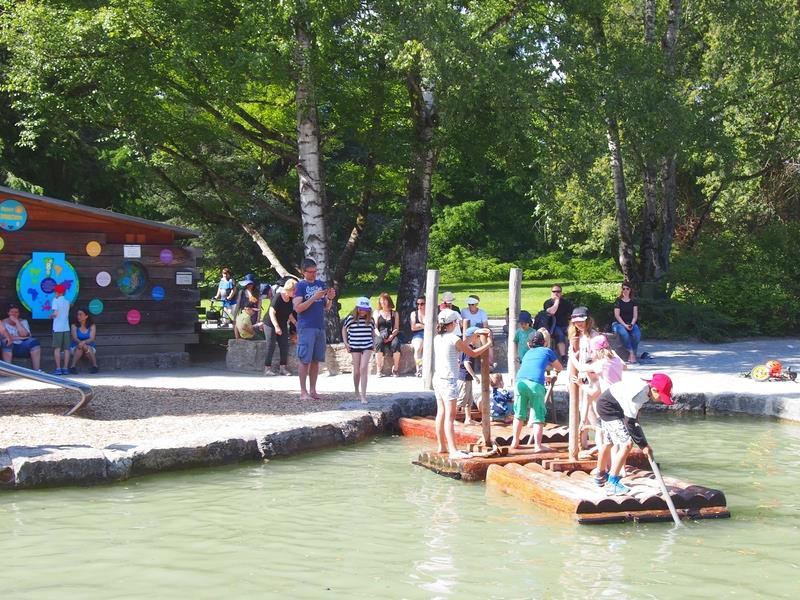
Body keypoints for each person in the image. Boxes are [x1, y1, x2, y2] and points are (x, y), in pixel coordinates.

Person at [595, 373, 674, 495]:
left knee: (608, 442)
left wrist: (643, 442)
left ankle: (600, 475)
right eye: (661, 396)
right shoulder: (638, 395)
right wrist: (643, 446)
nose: (661, 400)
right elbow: (630, 423)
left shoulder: (645, 390)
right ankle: (612, 482)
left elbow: (634, 419)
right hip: (610, 409)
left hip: (606, 404)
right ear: (654, 389)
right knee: (627, 444)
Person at [433, 309, 492, 458]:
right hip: (449, 380)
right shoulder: (453, 338)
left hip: (438, 378)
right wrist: (488, 344)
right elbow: (472, 353)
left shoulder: (438, 338)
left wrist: (473, 336)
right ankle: (453, 450)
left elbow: (461, 346)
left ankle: (442, 446)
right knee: (450, 417)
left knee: (441, 413)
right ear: (453, 323)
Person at [510, 330, 563, 451]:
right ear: (544, 343)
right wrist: (554, 371)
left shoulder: (527, 354)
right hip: (535, 386)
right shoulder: (547, 350)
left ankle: (515, 442)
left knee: (519, 414)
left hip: (520, 383)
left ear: (529, 344)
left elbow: (530, 371)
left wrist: (545, 376)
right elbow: (559, 367)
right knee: (538, 415)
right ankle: (538, 446)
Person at [293, 258, 335, 401]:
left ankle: (313, 390)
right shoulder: (300, 286)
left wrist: (329, 298)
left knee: (316, 360)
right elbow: (297, 308)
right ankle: (303, 392)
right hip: (306, 327)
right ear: (303, 272)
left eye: (315, 271)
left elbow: (326, 307)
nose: (314, 274)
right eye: (310, 272)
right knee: (305, 360)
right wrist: (313, 298)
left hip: (319, 326)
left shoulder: (320, 284)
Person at [567, 306, 600, 451]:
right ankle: (584, 443)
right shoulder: (575, 336)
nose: (579, 324)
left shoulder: (594, 336)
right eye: (576, 322)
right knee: (582, 408)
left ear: (588, 321)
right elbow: (571, 358)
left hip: (591, 375)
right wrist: (570, 377)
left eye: (581, 321)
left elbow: (599, 357)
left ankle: (601, 439)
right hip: (580, 375)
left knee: (593, 409)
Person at [342, 297, 374, 404]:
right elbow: (344, 329)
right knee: (356, 371)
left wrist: (373, 343)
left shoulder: (370, 320)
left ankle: (363, 395)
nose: (363, 311)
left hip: (367, 345)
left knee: (363, 368)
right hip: (354, 345)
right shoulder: (351, 319)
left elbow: (372, 332)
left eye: (365, 309)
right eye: (361, 309)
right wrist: (346, 343)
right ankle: (356, 390)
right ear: (357, 308)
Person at [263, 279, 297, 376]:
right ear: (289, 289)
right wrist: (276, 327)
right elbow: (271, 312)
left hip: (282, 323)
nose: (296, 292)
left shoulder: (290, 299)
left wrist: (295, 323)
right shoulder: (278, 296)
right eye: (294, 290)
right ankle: (267, 369)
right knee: (271, 345)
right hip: (270, 323)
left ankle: (283, 368)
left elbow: (289, 313)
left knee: (284, 345)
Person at [1, 304, 42, 371]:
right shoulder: (3, 322)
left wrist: (17, 322)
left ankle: (37, 370)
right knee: (6, 341)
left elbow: (25, 335)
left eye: (16, 312)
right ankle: (8, 371)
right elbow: (6, 337)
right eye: (12, 312)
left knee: (34, 342)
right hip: (9, 347)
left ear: (19, 313)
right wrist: (20, 338)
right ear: (8, 313)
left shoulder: (23, 321)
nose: (14, 314)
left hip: (22, 346)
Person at [457, 325, 482, 426]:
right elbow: (466, 363)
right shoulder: (469, 349)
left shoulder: (466, 347)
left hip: (467, 378)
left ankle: (468, 418)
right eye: (478, 337)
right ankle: (452, 418)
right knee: (461, 399)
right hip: (464, 378)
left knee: (469, 400)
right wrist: (474, 376)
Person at [543, 284, 574, 365]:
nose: (556, 293)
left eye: (558, 291)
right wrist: (556, 302)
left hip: (565, 325)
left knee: (574, 334)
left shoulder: (566, 303)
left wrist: (572, 326)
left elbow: (571, 316)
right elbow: (551, 312)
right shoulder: (548, 302)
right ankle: (564, 357)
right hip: (553, 326)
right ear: (551, 292)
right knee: (560, 334)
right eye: (554, 291)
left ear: (561, 293)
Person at [612, 281, 641, 364]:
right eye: (623, 289)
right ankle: (631, 353)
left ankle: (632, 352)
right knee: (624, 333)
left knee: (637, 335)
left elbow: (635, 316)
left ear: (630, 290)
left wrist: (631, 324)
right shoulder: (618, 301)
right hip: (618, 324)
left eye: (627, 289)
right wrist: (625, 325)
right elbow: (617, 316)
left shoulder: (633, 302)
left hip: (631, 323)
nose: (625, 290)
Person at [373, 292, 401, 377]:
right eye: (381, 301)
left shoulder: (395, 313)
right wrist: (379, 335)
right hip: (380, 334)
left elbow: (396, 328)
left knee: (396, 344)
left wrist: (392, 336)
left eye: (384, 300)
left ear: (388, 301)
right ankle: (379, 370)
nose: (383, 303)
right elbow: (374, 327)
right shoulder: (377, 312)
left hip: (391, 334)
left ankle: (395, 368)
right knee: (378, 343)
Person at [68, 308, 98, 374]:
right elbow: (75, 338)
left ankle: (94, 366)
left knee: (87, 347)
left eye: (80, 314)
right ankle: (73, 367)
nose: (78, 316)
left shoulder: (92, 325)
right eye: (78, 314)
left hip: (90, 346)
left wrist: (83, 342)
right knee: (80, 348)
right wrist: (81, 343)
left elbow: (91, 338)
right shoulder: (74, 325)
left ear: (86, 316)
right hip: (75, 346)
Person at [50, 284, 71, 375]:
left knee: (57, 349)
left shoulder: (55, 300)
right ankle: (65, 368)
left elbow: (56, 313)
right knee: (66, 349)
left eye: (56, 291)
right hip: (66, 327)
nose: (55, 293)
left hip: (57, 328)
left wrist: (52, 316)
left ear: (59, 292)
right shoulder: (67, 302)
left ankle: (58, 368)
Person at [233, 273, 260, 339]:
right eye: (248, 284)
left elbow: (257, 304)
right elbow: (238, 305)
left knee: (253, 330)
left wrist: (258, 317)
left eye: (251, 284)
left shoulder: (256, 292)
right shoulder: (241, 292)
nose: (249, 285)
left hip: (254, 314)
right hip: (244, 313)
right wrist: (235, 317)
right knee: (244, 328)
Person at [409, 295, 426, 377]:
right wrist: (424, 326)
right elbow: (413, 327)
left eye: (422, 304)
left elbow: (434, 327)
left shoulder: (430, 313)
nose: (419, 306)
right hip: (417, 334)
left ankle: (424, 367)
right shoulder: (414, 314)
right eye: (418, 304)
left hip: (429, 335)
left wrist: (419, 325)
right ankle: (418, 368)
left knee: (426, 348)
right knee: (418, 347)